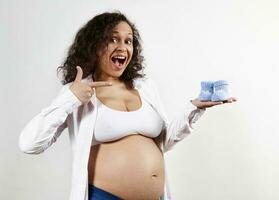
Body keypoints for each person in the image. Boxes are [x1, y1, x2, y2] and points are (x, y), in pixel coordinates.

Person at [18, 11, 236, 200]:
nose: (123, 47)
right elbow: (30, 144)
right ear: (95, 45)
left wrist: (195, 108)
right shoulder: (79, 91)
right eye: (113, 39)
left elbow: (163, 143)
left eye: (128, 40)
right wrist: (70, 99)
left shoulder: (145, 87)